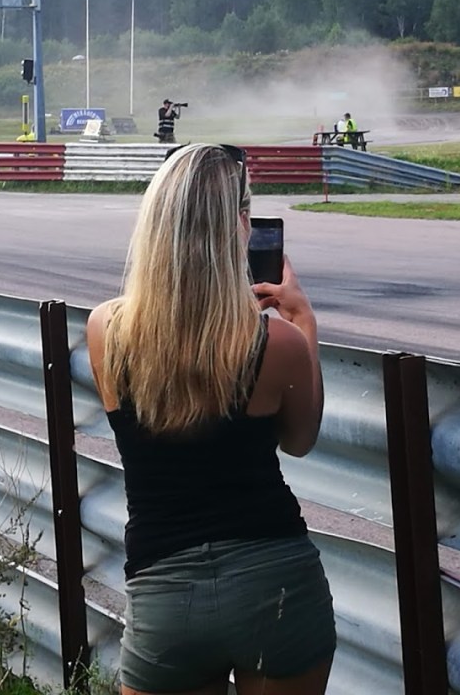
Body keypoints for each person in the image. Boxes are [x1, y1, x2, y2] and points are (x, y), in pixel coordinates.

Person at [85, 143, 336, 695]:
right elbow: (301, 439)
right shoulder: (277, 342)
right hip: (276, 584)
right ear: (239, 226)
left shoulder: (107, 329)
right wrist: (302, 320)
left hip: (164, 591)